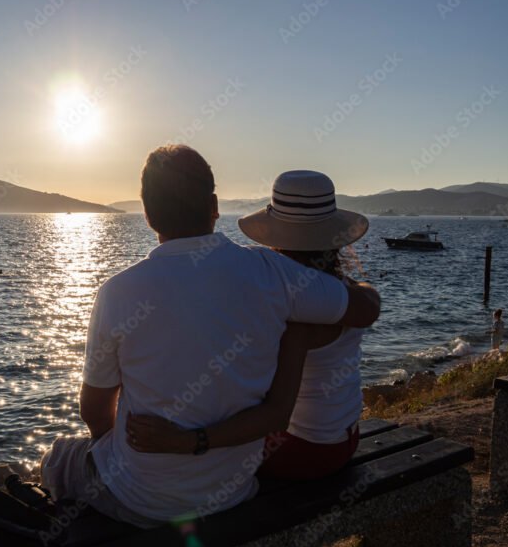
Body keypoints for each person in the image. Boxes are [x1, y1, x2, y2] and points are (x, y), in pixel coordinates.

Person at [39, 146, 380, 528]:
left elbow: (95, 412)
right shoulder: (272, 274)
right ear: (214, 205)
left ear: (148, 213)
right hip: (233, 490)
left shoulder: (118, 291)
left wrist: (122, 449)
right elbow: (364, 308)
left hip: (144, 500)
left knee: (58, 458)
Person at [127, 171, 370, 480]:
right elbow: (367, 304)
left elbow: (277, 415)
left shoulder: (294, 317)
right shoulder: (342, 293)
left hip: (305, 451)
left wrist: (188, 440)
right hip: (345, 438)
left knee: (202, 465)